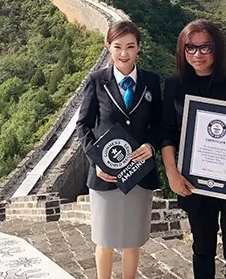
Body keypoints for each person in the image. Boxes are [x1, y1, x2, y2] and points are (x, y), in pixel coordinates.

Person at [160, 18, 226, 279]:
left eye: (205, 47)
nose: (197, 54)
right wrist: (172, 173)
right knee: (202, 251)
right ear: (182, 50)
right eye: (190, 48)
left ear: (217, 48)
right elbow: (166, 133)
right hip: (195, 184)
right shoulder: (175, 85)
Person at [76, 20, 162, 279]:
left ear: (139, 48)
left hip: (138, 171)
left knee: (132, 239)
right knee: (104, 238)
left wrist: (151, 145)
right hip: (105, 174)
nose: (124, 53)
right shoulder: (96, 80)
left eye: (130, 47)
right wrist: (97, 162)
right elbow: (83, 124)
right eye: (118, 47)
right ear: (108, 47)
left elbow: (159, 124)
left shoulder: (151, 81)